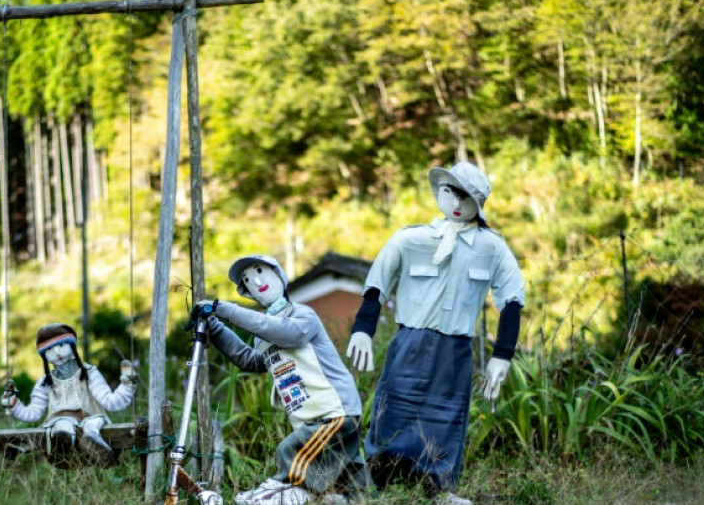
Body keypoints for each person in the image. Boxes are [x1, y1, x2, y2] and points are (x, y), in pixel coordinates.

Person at [345, 162, 525, 505]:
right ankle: (376, 484)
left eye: (466, 196)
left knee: (447, 414)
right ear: (439, 191)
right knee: (392, 406)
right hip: (409, 341)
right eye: (450, 192)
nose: (457, 202)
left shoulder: (492, 248)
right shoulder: (411, 239)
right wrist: (362, 329)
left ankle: (439, 490)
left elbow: (512, 299)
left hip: (455, 347)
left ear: (479, 203)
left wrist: (502, 355)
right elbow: (377, 284)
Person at [199, 254, 371, 505]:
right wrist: (215, 326)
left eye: (260, 272)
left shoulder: (302, 314)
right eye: (247, 280)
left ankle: (270, 496)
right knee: (349, 477)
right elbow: (251, 360)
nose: (256, 282)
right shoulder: (262, 334)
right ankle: (353, 498)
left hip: (333, 410)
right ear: (248, 294)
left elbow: (288, 334)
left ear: (279, 275)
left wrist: (226, 310)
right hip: (307, 417)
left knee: (291, 452)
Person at [1, 323, 137, 468]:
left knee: (92, 424)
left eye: (62, 345)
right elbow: (33, 413)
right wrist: (14, 405)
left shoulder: (89, 372)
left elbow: (111, 402)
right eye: (50, 350)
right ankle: (63, 444)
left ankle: (95, 445)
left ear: (72, 346)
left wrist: (128, 383)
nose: (57, 353)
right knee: (62, 424)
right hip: (60, 422)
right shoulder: (45, 382)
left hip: (91, 417)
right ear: (44, 355)